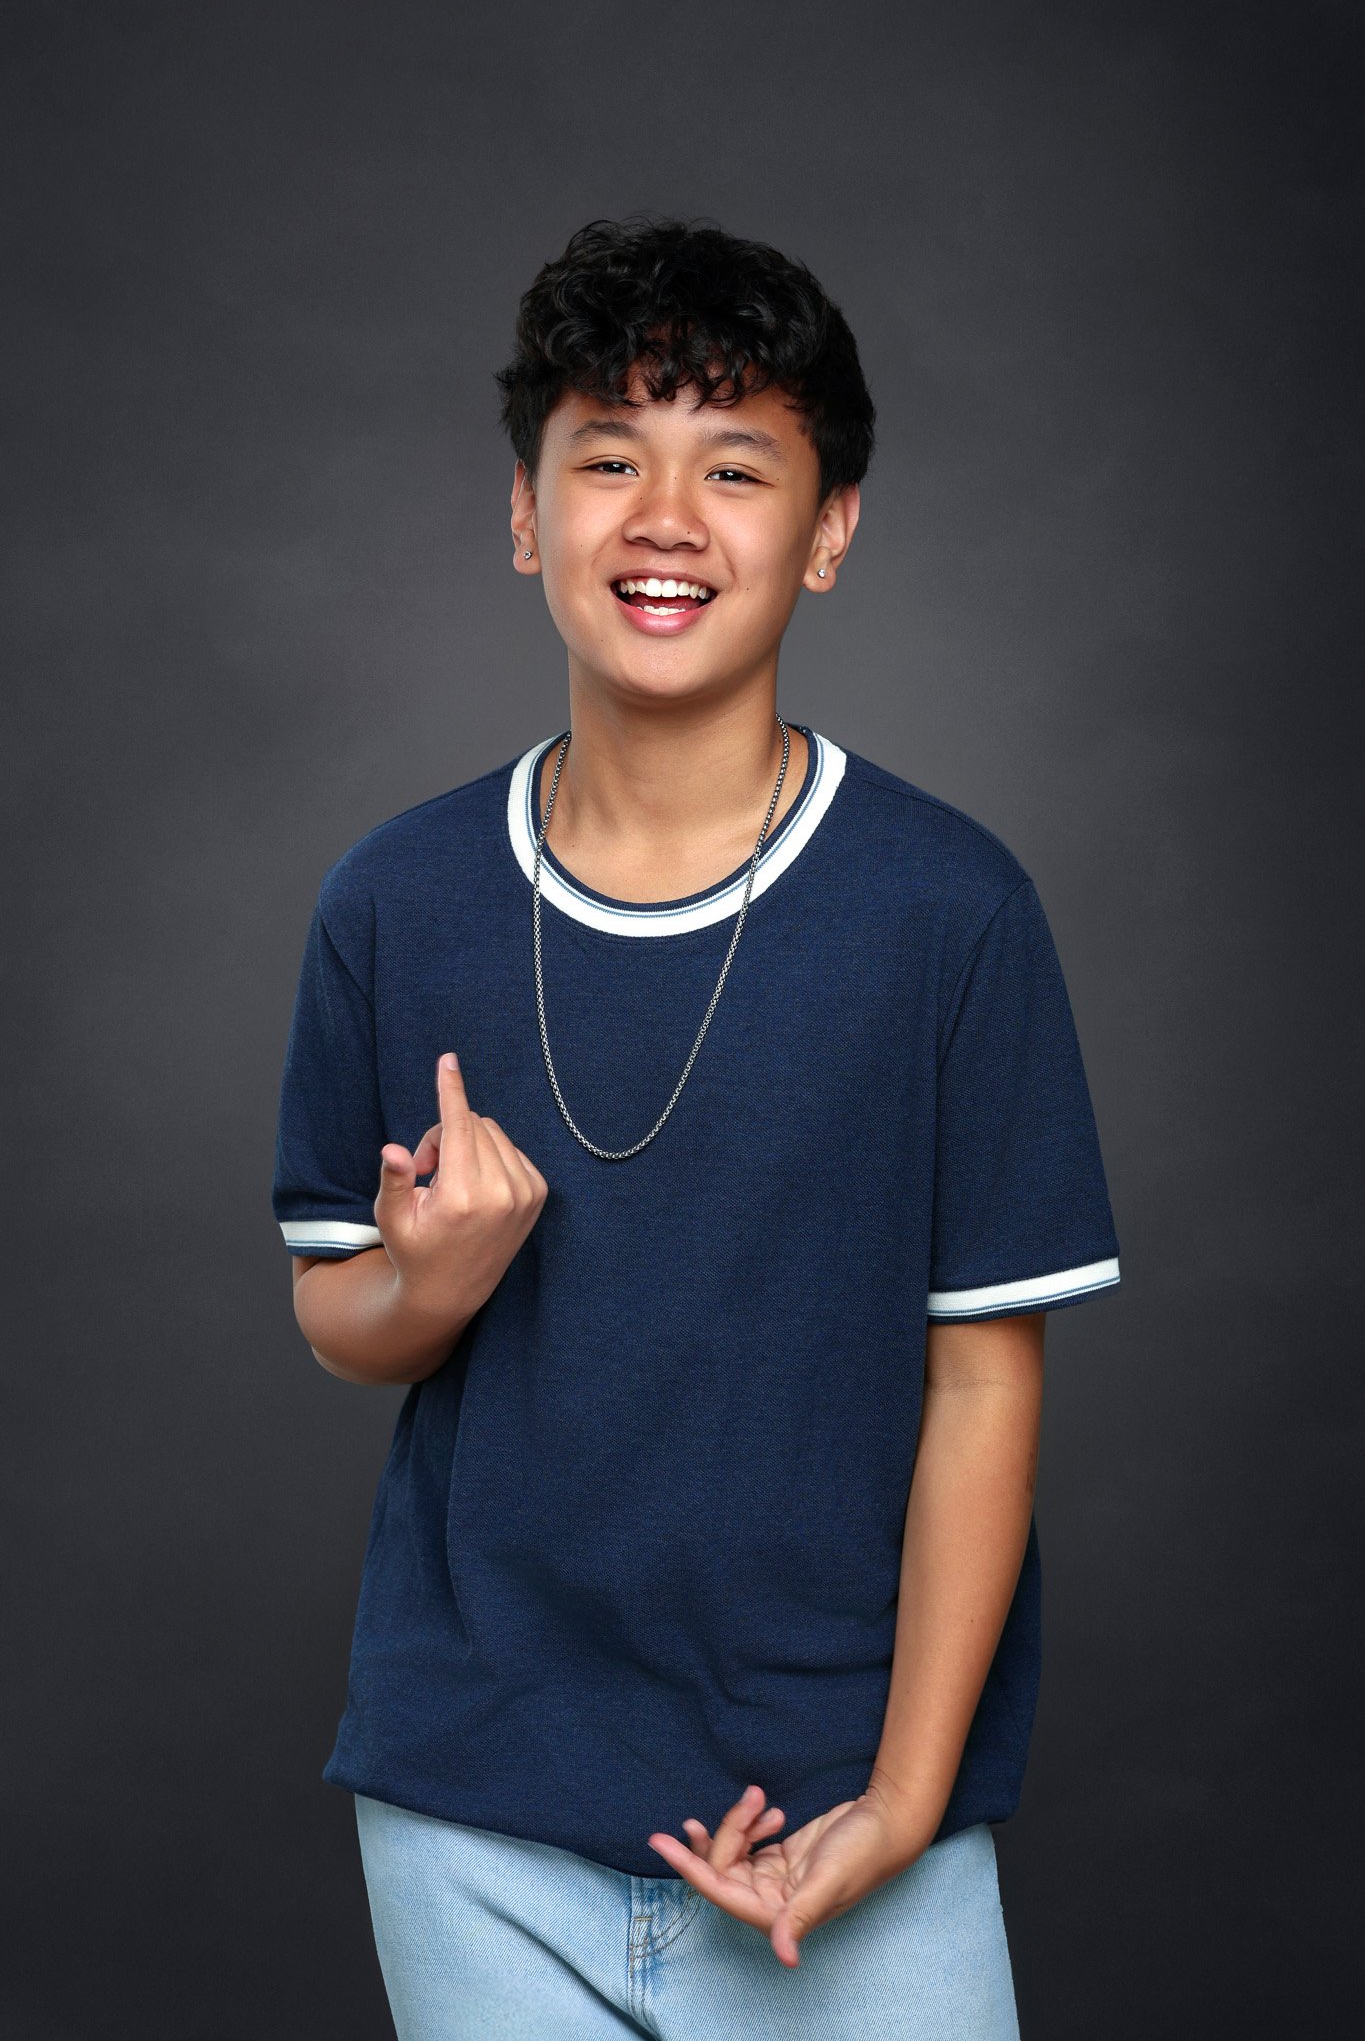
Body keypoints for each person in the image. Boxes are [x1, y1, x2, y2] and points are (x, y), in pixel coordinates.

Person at [272, 213, 1121, 2040]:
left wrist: (901, 1798)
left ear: (826, 535)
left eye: (735, 465)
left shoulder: (945, 913)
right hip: (471, 1813)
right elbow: (336, 1316)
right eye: (606, 458)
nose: (664, 516)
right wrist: (434, 1285)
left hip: (838, 1818)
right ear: (524, 515)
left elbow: (986, 1380)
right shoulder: (394, 898)